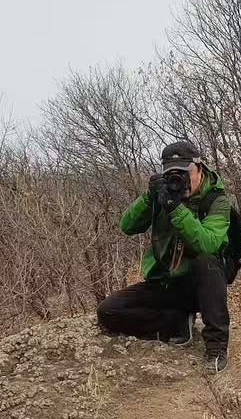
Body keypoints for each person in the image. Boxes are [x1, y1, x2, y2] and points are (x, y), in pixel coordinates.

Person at [97, 139, 233, 372]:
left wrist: (176, 210)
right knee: (108, 312)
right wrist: (149, 197)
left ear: (199, 169)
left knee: (208, 262)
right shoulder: (163, 195)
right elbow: (126, 226)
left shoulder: (217, 200)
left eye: (184, 172)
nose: (179, 179)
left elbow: (208, 244)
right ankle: (177, 323)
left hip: (200, 288)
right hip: (166, 282)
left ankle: (216, 347)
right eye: (172, 174)